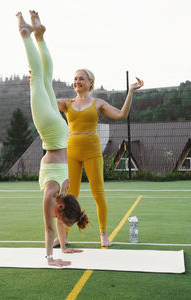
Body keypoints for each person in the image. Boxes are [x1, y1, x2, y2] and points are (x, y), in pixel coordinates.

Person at [16, 10, 89, 267]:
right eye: (61, 218)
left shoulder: (65, 189)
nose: (57, 221)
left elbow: (58, 220)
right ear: (60, 208)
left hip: (59, 132)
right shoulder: (52, 193)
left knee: (44, 77)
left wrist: (65, 247)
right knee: (37, 78)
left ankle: (40, 36)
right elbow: (48, 229)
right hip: (49, 130)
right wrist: (51, 258)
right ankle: (26, 34)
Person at [56, 71, 143, 247]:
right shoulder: (67, 103)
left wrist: (131, 92)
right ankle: (63, 236)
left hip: (92, 151)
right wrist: (35, 82)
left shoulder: (98, 103)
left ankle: (103, 234)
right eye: (75, 79)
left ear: (90, 83)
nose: (77, 81)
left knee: (98, 192)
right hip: (71, 151)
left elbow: (121, 115)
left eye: (81, 78)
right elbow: (45, 102)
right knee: (69, 195)